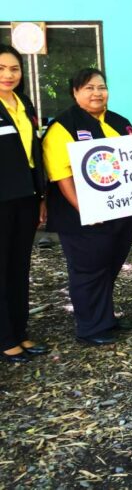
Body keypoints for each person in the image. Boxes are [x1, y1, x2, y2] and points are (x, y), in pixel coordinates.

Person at [42, 68, 132, 345]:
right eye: (89, 88)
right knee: (88, 270)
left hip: (119, 210)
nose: (97, 93)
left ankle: (105, 318)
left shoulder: (119, 122)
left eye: (101, 87)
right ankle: (90, 328)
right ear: (75, 93)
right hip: (81, 215)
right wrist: (83, 208)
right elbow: (61, 175)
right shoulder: (63, 126)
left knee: (109, 265)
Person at [0, 44, 48, 362]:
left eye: (14, 68)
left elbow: (34, 153)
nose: (8, 75)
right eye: (1, 69)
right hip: (2, 200)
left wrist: (41, 196)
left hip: (26, 198)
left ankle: (19, 331)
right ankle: (5, 339)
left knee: (19, 267)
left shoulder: (24, 103)